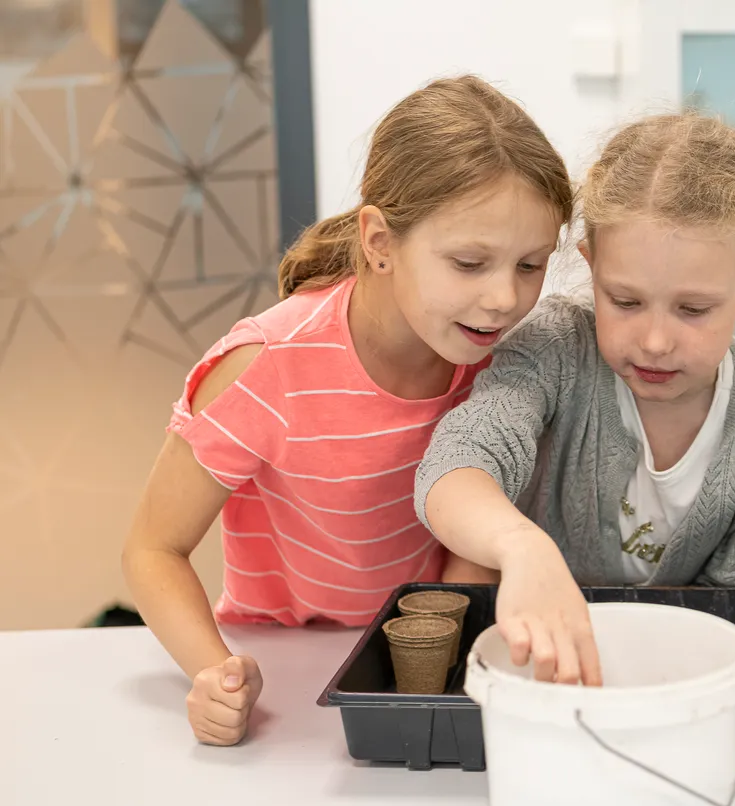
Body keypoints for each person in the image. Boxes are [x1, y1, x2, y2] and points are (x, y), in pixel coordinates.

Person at [121, 75, 573, 746]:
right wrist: (215, 673)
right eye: (470, 262)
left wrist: (437, 653)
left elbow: (471, 536)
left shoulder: (501, 361)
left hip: (416, 670)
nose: (505, 299)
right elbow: (151, 549)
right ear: (380, 241)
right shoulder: (266, 366)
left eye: (531, 264)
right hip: (282, 672)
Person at [415, 113, 735, 687]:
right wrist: (522, 548)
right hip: (527, 671)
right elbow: (454, 467)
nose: (656, 342)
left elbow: (733, 618)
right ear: (591, 268)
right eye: (625, 301)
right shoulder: (553, 353)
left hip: (672, 678)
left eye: (693, 310)